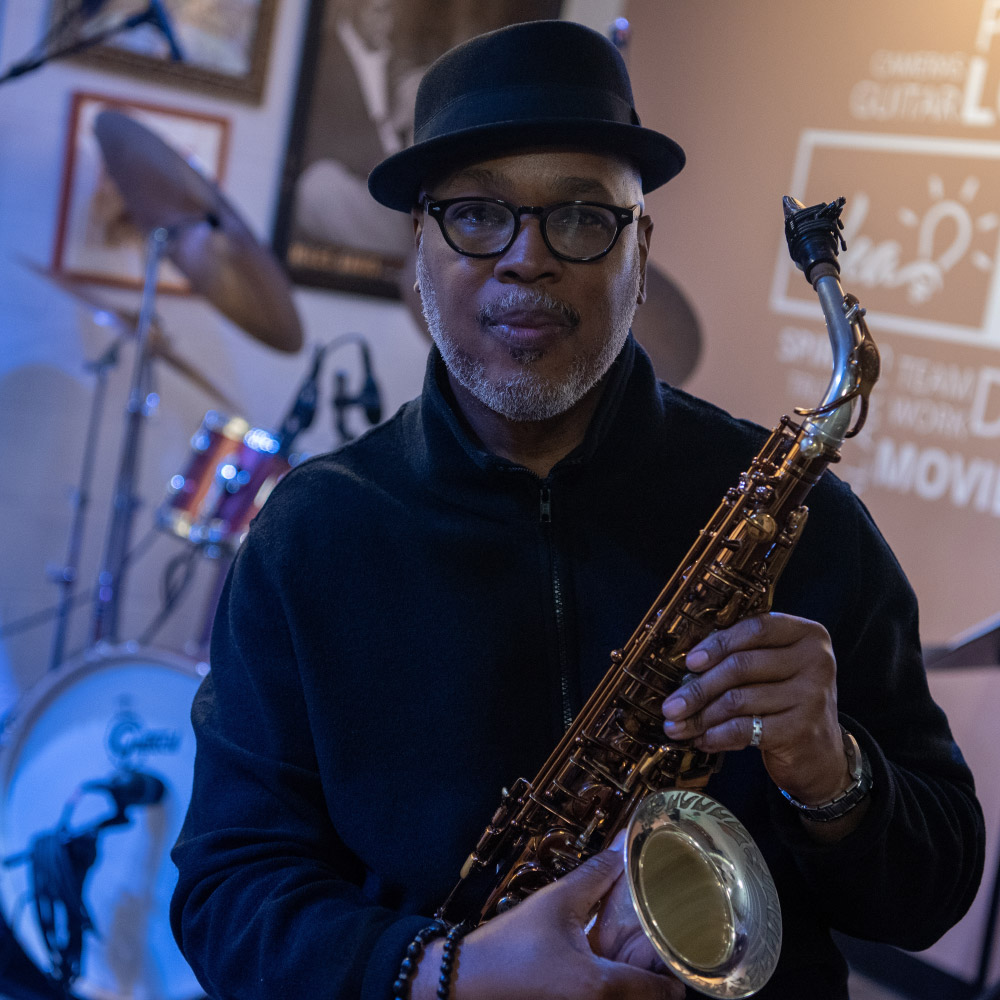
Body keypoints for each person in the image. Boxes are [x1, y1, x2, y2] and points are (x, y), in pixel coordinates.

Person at [170, 20, 985, 1000]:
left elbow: (933, 892)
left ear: (640, 252)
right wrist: (446, 973)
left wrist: (833, 774)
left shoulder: (806, 522)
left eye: (583, 217)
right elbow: (226, 894)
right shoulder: (309, 534)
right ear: (418, 243)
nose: (528, 257)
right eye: (477, 214)